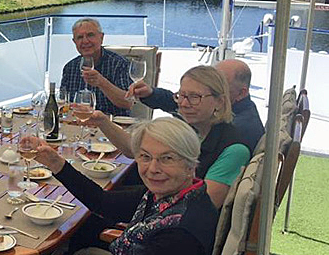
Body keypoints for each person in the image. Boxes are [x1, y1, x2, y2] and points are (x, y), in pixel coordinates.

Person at [0, 118, 219, 255]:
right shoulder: (175, 194)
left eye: (167, 158)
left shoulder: (180, 232)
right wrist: (56, 163)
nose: (152, 168)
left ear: (191, 163)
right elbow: (103, 203)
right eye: (145, 156)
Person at [92, 65, 250, 208]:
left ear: (220, 102)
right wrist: (101, 121)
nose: (184, 104)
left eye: (194, 97)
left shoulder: (234, 150)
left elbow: (200, 208)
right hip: (155, 203)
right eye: (181, 95)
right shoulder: (193, 128)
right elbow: (134, 149)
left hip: (170, 224)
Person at [129, 59, 264, 153]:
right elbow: (178, 103)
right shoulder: (215, 112)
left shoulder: (236, 131)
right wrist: (151, 93)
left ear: (241, 93)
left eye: (218, 83)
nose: (185, 104)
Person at [59, 18, 132, 116]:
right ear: (74, 42)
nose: (85, 41)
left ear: (101, 38)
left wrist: (102, 83)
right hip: (79, 124)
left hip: (112, 126)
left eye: (90, 35)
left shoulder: (120, 64)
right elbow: (64, 104)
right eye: (80, 37)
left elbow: (128, 103)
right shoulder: (70, 67)